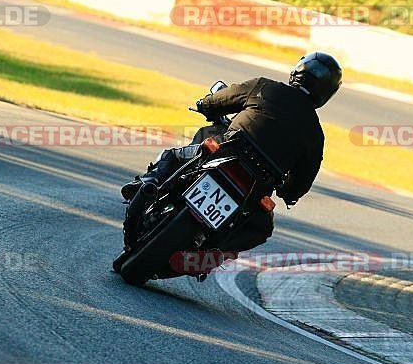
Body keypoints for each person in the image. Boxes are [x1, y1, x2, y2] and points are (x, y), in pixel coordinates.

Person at [121, 51, 342, 251]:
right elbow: (301, 184)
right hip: (256, 187)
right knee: (261, 229)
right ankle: (211, 252)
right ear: (327, 93)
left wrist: (205, 104)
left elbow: (220, 99)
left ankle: (150, 183)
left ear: (298, 71)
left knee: (175, 154)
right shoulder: (316, 134)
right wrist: (288, 192)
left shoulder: (265, 87)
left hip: (223, 154)